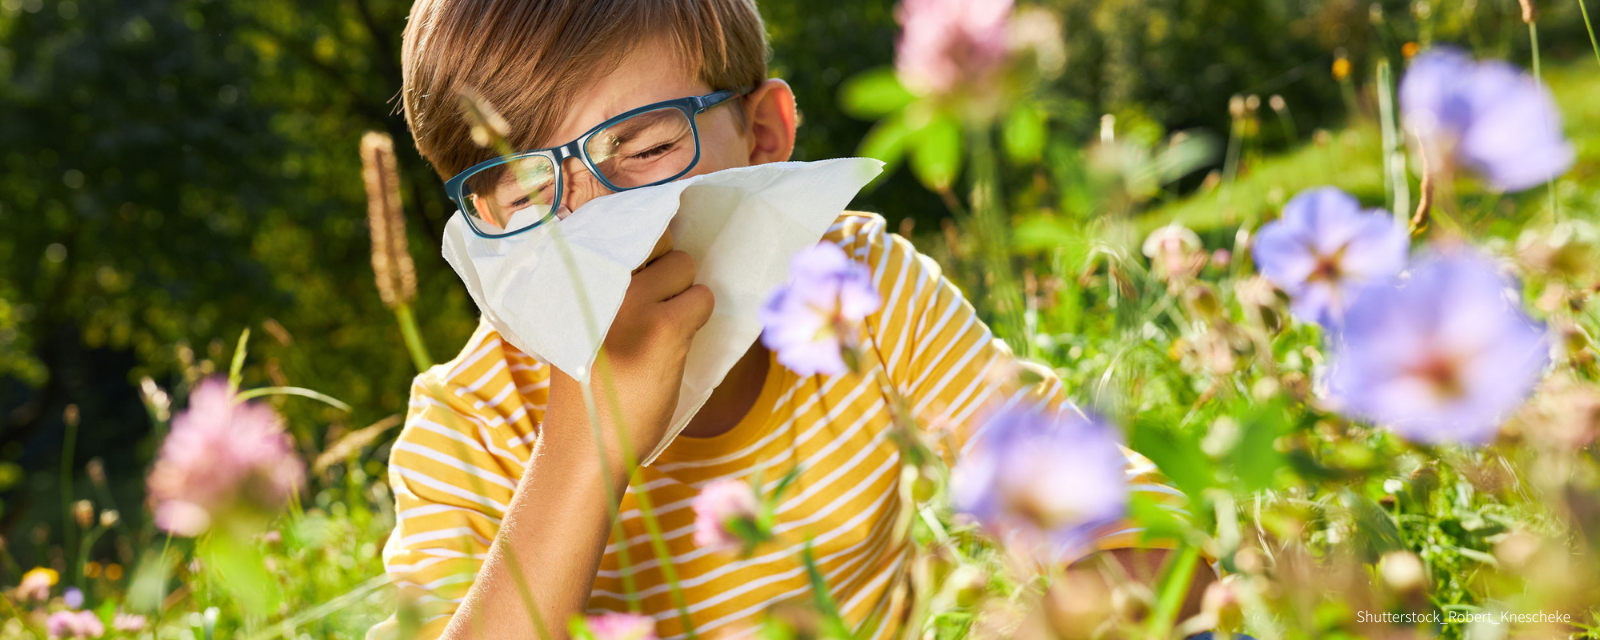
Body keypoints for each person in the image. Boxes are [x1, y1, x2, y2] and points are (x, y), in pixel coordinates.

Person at [372, 1, 1212, 639]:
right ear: (480, 220)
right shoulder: (472, 419)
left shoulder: (858, 289)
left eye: (648, 147)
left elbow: (1124, 527)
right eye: (526, 191)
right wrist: (585, 444)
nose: (599, 224)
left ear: (765, 132)